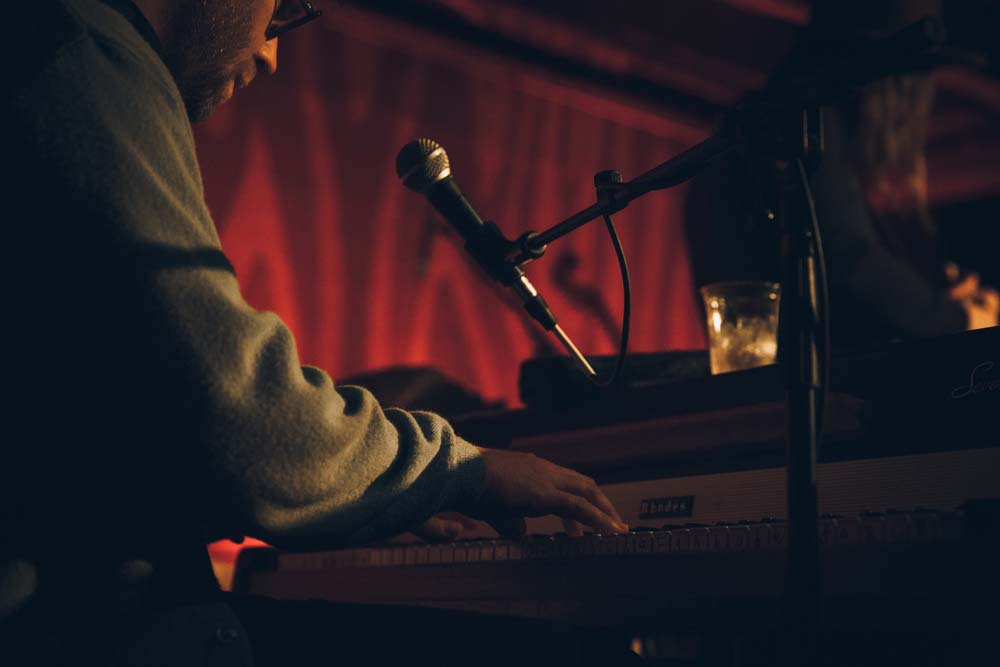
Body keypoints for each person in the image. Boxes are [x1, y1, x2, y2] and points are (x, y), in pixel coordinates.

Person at [0, 1, 638, 665]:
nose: (272, 54)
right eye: (283, 9)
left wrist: (370, 498)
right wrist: (463, 468)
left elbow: (107, 444)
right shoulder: (74, 47)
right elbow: (242, 426)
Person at [684, 0, 999, 350]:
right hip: (798, 392)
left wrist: (942, 295)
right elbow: (846, 258)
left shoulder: (778, 121)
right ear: (893, 78)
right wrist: (959, 320)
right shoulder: (805, 121)